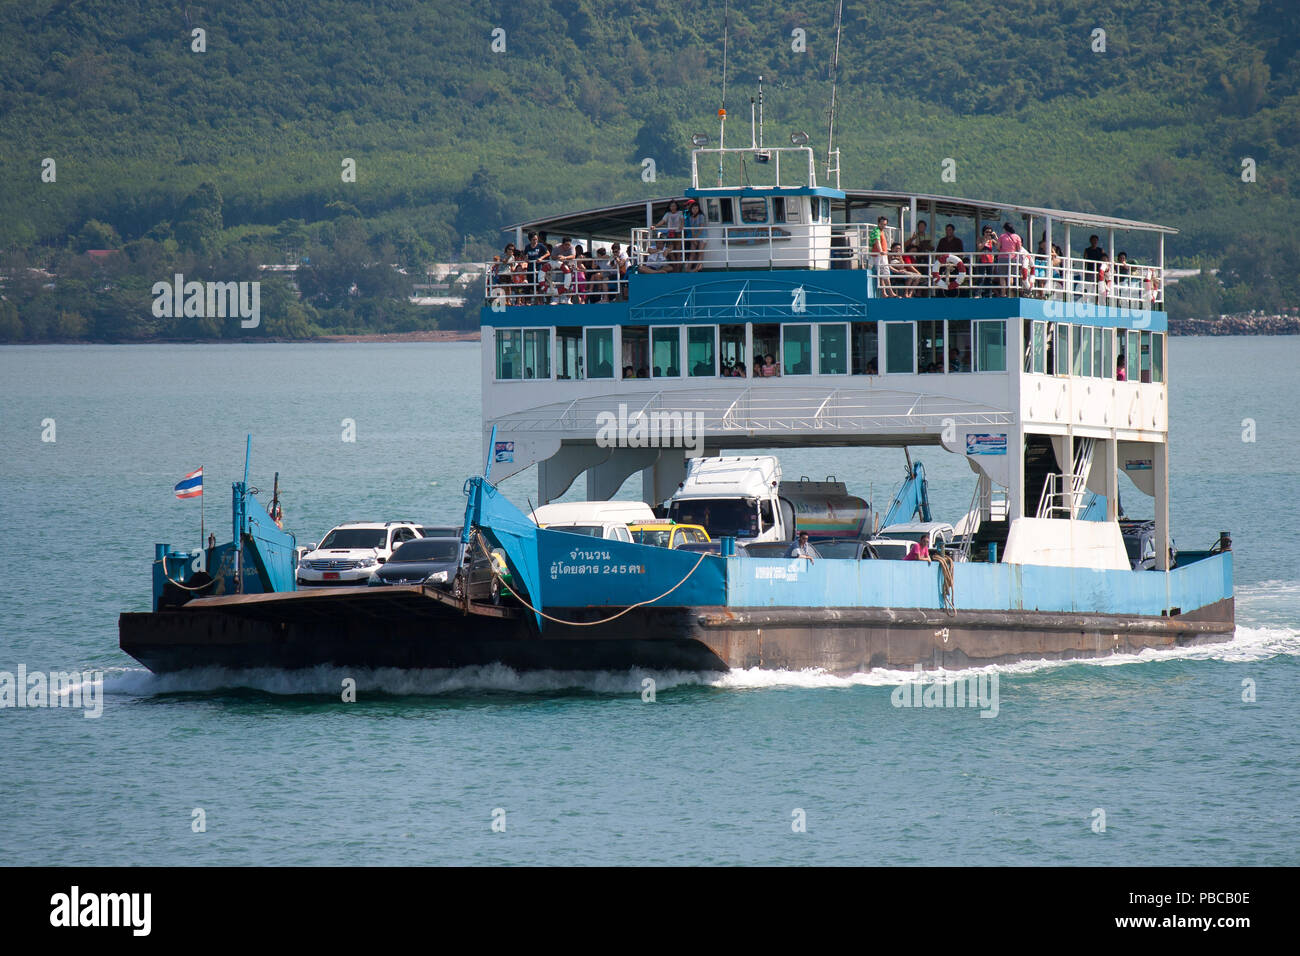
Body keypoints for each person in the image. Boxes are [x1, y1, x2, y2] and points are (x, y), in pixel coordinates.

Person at [869, 216, 896, 296]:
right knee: (885, 273)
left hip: (880, 255)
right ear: (878, 223)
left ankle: (884, 292)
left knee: (882, 273)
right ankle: (890, 292)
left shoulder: (881, 231)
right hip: (879, 255)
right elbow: (877, 241)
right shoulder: (876, 231)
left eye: (884, 224)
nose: (883, 226)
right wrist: (881, 251)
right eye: (882, 224)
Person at [996, 223, 1023, 296]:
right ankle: (1009, 292)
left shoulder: (1002, 236)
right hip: (1013, 258)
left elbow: (998, 247)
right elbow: (1019, 249)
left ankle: (1003, 293)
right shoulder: (1017, 237)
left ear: (1005, 229)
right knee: (1010, 275)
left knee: (1002, 276)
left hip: (1002, 258)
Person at [656, 200, 685, 266]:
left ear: (676, 206)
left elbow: (682, 220)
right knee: (670, 250)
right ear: (669, 207)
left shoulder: (680, 212)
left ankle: (678, 267)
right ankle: (675, 265)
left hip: (678, 233)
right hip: (670, 233)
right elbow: (662, 221)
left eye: (674, 206)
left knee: (678, 251)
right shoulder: (668, 214)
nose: (673, 207)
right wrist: (655, 226)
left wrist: (682, 226)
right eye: (671, 206)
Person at [975, 226, 996, 297]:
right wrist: (985, 240)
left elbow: (999, 246)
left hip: (990, 260)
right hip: (982, 259)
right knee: (981, 277)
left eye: (990, 232)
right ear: (983, 232)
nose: (988, 234)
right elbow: (979, 247)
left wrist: (995, 237)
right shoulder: (980, 238)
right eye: (987, 232)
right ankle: (978, 293)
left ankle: (988, 293)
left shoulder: (991, 240)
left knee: (989, 278)